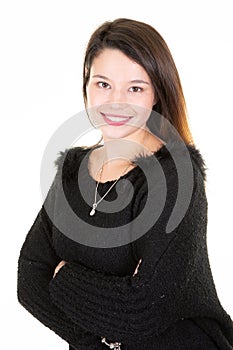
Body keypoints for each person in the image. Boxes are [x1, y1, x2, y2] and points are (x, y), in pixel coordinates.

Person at [17, 18, 233, 350]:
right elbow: (30, 279)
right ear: (86, 84)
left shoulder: (175, 175)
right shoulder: (71, 172)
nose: (116, 102)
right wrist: (102, 340)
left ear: (156, 94)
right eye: (103, 84)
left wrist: (63, 278)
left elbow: (145, 307)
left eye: (135, 88)